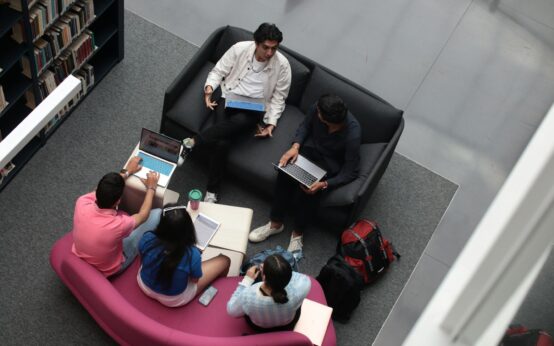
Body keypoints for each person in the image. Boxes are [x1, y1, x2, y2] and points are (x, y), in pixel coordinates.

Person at [182, 22, 292, 203]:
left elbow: (280, 97)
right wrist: (209, 89)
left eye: (274, 48)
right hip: (229, 95)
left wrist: (271, 122)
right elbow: (218, 71)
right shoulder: (239, 49)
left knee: (239, 125)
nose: (270, 53)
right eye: (266, 47)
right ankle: (211, 191)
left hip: (255, 107)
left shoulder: (283, 66)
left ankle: (194, 143)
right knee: (223, 142)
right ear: (256, 43)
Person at [249, 94, 361, 252]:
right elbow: (305, 126)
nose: (317, 113)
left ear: (327, 120)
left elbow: (351, 171)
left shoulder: (353, 135)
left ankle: (297, 234)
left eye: (320, 115)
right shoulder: (318, 107)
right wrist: (295, 147)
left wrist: (325, 184)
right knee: (285, 170)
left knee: (311, 192)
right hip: (309, 150)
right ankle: (275, 223)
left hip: (329, 162)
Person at [72, 157, 161, 277]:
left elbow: (100, 190)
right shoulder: (118, 226)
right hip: (108, 269)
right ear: (117, 201)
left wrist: (127, 171)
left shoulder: (82, 201)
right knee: (157, 214)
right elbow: (143, 216)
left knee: (125, 218)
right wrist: (151, 187)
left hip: (82, 254)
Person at [137, 204, 230, 307]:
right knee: (225, 260)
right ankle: (221, 290)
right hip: (173, 300)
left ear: (162, 224)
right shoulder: (193, 254)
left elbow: (142, 259)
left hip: (144, 285)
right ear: (188, 229)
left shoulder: (147, 238)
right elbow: (194, 280)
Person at [227, 254, 310, 331]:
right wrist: (280, 272)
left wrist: (247, 280)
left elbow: (231, 310)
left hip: (260, 328)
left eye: (263, 267)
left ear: (264, 276)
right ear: (289, 276)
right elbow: (300, 277)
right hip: (287, 325)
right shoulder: (302, 286)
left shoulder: (248, 295)